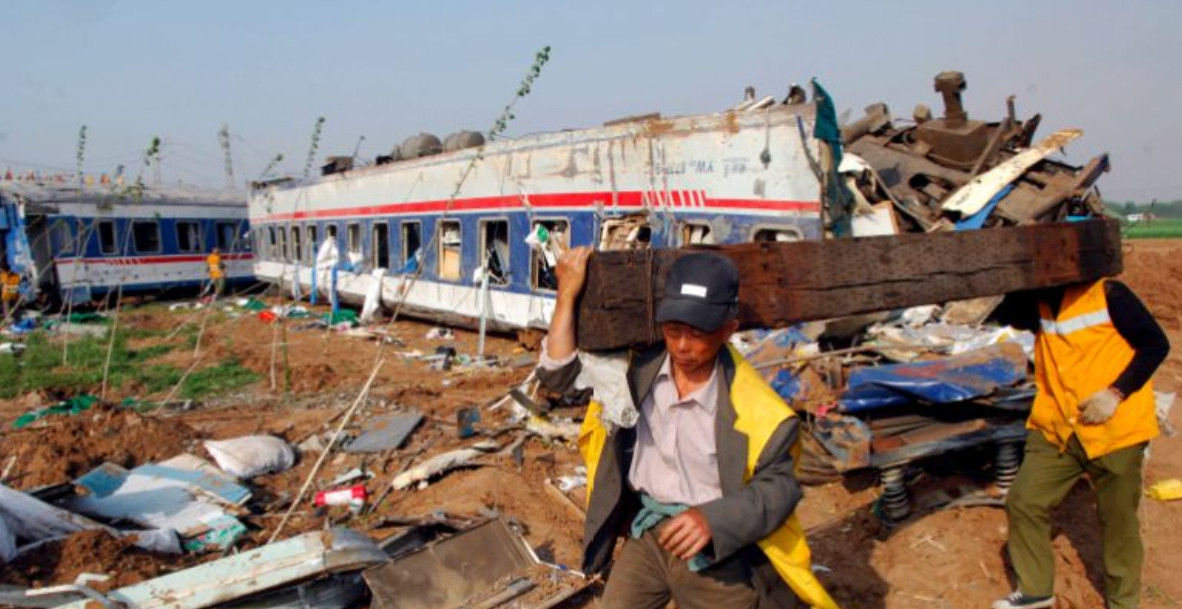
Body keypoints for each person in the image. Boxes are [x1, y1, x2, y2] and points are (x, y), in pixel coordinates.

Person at [536, 248, 838, 609]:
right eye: (673, 329)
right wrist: (567, 292)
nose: (681, 345)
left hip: (718, 554)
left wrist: (713, 520)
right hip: (649, 535)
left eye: (697, 333)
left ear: (728, 330)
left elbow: (781, 489)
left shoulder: (758, 409)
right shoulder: (637, 369)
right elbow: (557, 373)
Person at [994, 279, 1170, 609]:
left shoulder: (1108, 294)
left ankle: (1123, 602)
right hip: (1057, 427)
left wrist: (1116, 393)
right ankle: (1036, 589)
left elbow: (1155, 345)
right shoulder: (1037, 300)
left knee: (1118, 521)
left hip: (1114, 427)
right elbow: (1005, 316)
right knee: (1023, 501)